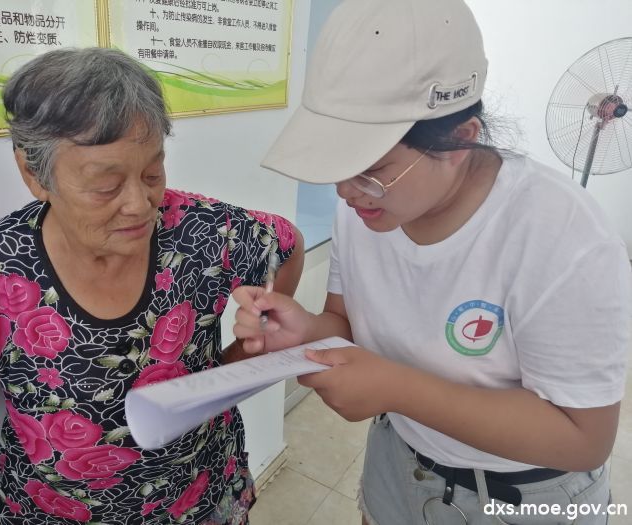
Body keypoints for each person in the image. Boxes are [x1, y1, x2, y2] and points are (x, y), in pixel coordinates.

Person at [232, 0, 631, 523]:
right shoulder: (364, 208)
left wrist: (398, 389)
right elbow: (347, 321)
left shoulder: (561, 236)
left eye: (371, 169)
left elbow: (584, 440)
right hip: (399, 462)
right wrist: (306, 330)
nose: (347, 192)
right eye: (338, 166)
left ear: (459, 139)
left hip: (520, 491)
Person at [0, 47, 303, 525]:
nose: (139, 204)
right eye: (106, 185)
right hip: (56, 514)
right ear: (33, 172)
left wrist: (248, 355)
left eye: (152, 173)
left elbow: (288, 246)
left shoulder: (204, 230)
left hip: (200, 496)